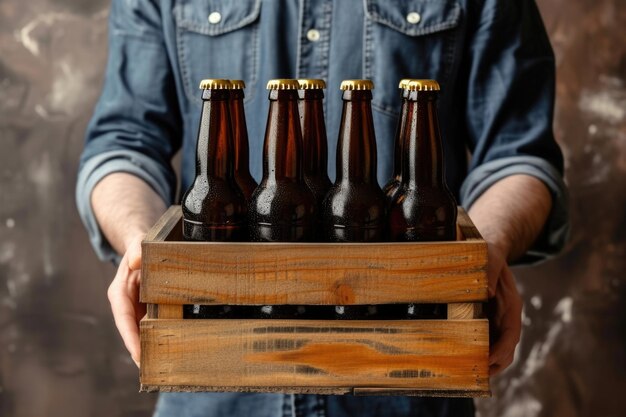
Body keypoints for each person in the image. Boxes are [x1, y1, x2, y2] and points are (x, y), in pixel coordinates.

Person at [76, 0, 569, 416]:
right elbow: (125, 145)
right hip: (213, 385)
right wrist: (147, 250)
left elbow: (517, 155)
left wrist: (486, 249)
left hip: (411, 381)